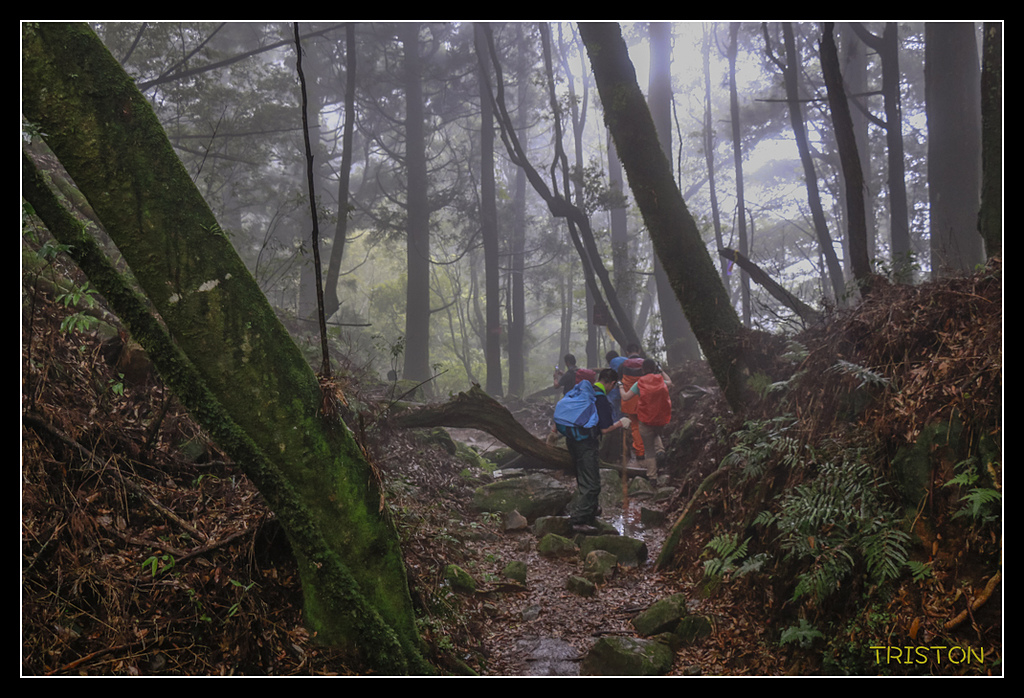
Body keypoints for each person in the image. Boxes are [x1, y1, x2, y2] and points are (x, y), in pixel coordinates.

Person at [565, 368, 630, 533]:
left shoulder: (584, 392)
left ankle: (591, 509)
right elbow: (605, 429)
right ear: (612, 383)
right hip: (586, 443)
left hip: (572, 439)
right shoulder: (600, 398)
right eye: (613, 386)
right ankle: (578, 520)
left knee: (584, 476)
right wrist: (621, 423)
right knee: (592, 483)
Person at [620, 358, 672, 480]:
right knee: (656, 434)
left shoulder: (639, 383)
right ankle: (660, 450)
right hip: (660, 419)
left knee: (649, 450)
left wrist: (621, 386)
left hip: (645, 419)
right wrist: (662, 371)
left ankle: (652, 477)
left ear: (642, 369)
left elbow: (626, 397)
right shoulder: (660, 380)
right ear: (655, 368)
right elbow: (670, 381)